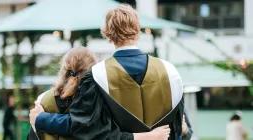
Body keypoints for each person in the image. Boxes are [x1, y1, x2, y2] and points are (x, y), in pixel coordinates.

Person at [30, 4, 186, 140]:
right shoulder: (170, 72)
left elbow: (88, 129)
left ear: (108, 34)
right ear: (138, 30)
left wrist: (41, 119)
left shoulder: (97, 76)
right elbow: (177, 131)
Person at [28, 47, 171, 140]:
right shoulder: (101, 98)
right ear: (93, 70)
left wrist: (40, 119)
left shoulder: (44, 101)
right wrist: (149, 136)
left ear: (63, 69)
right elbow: (102, 133)